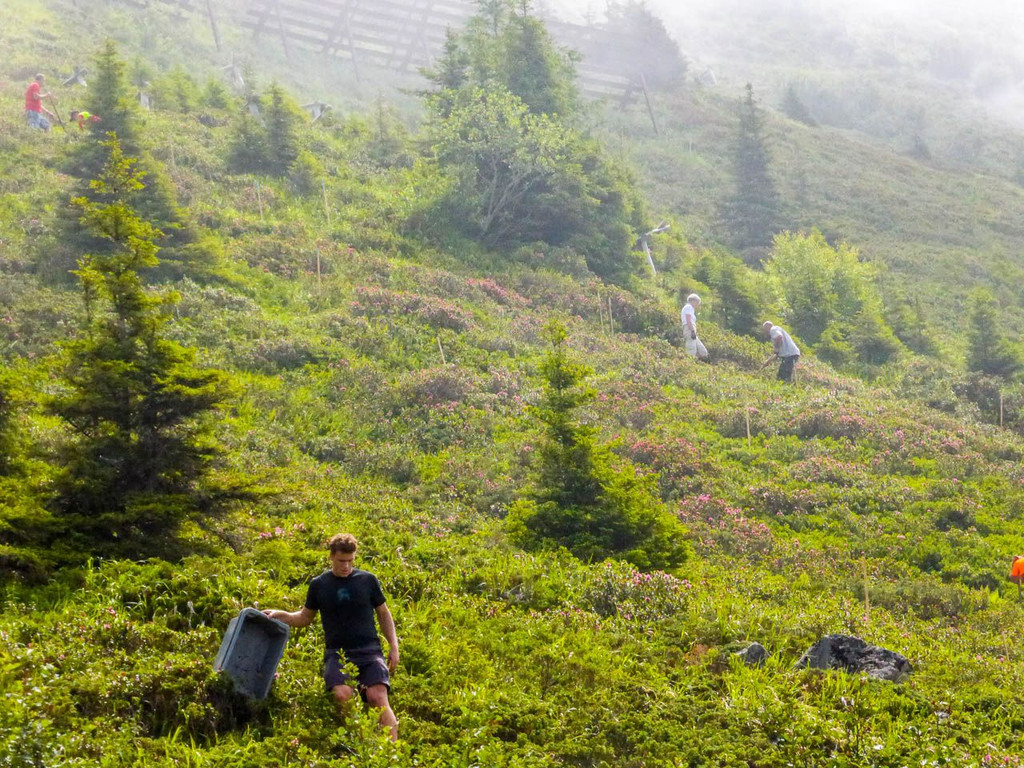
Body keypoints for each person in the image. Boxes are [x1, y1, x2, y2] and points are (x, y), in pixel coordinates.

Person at [264, 533, 400, 740]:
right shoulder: (319, 585)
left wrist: (393, 646)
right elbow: (304, 617)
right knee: (342, 695)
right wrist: (280, 615)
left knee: (377, 697)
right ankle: (359, 743)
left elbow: (383, 613)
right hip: (337, 653)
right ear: (331, 557)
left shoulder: (368, 580)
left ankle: (391, 750)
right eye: (341, 561)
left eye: (350, 561)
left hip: (369, 650)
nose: (346, 566)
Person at [681, 293, 709, 360]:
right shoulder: (689, 307)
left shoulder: (689, 308)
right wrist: (692, 331)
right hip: (689, 329)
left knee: (702, 350)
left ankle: (701, 360)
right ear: (693, 301)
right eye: (697, 302)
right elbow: (688, 320)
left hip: (690, 328)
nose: (697, 305)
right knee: (691, 349)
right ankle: (689, 362)